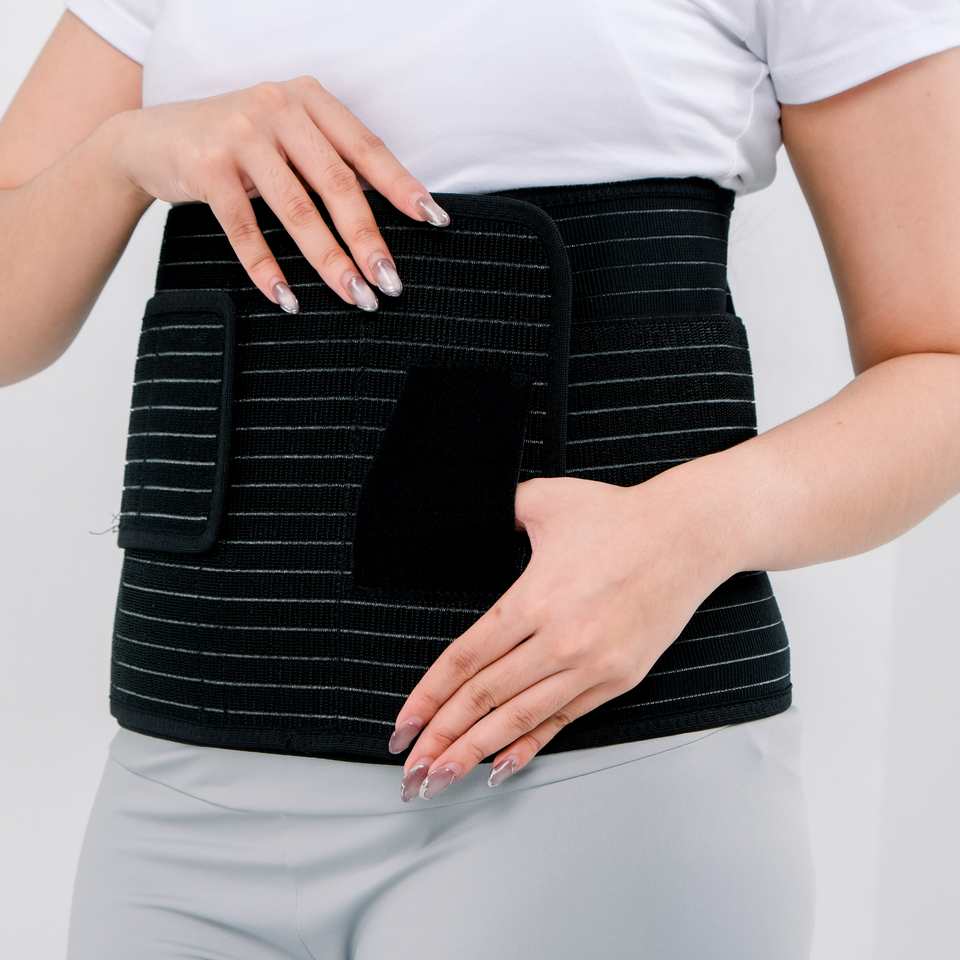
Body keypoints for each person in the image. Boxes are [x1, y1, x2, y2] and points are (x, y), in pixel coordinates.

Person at [2, 2, 959, 957]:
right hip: (179, 789)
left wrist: (695, 526)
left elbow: (941, 362)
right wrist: (121, 156)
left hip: (584, 774)